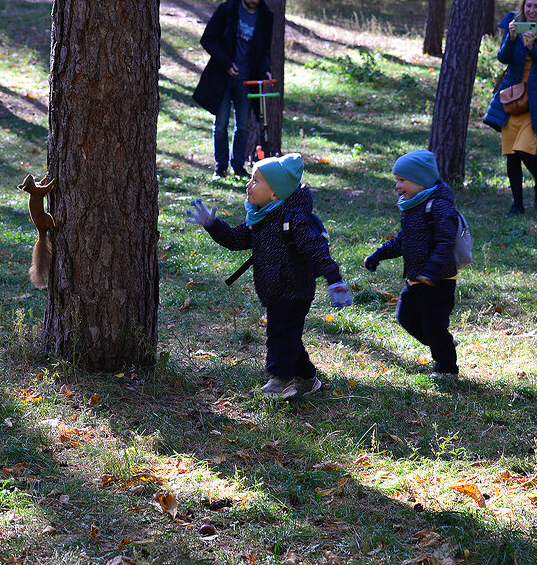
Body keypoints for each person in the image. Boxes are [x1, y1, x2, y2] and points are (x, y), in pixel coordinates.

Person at [185, 153, 352, 399]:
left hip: (295, 289)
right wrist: (213, 224)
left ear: (275, 194)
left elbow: (317, 249)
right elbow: (234, 239)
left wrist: (334, 279)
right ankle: (308, 378)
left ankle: (280, 381)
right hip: (274, 290)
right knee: (288, 336)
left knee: (279, 334)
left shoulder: (294, 220)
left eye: (255, 181)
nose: (248, 185)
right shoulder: (260, 218)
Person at [364, 150, 459, 381]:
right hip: (416, 278)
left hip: (438, 280)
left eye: (402, 180)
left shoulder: (439, 206)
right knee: (405, 316)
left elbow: (446, 242)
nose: (397, 186)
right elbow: (402, 240)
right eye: (397, 180)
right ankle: (442, 341)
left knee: (432, 323)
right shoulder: (412, 206)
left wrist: (432, 271)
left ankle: (447, 367)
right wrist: (378, 255)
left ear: (421, 180)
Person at [483, 0, 537, 216]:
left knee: (525, 148)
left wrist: (531, 47)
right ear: (523, 7)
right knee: (511, 153)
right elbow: (503, 58)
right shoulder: (515, 25)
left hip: (535, 100)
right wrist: (511, 38)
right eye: (528, 6)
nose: (532, 10)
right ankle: (517, 205)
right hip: (513, 98)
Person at [193, 0, 274, 181]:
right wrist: (227, 63)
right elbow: (208, 39)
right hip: (222, 77)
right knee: (220, 125)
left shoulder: (265, 16)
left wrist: (265, 71)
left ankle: (237, 166)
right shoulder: (227, 10)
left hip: (247, 80)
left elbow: (264, 50)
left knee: (244, 126)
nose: (255, 0)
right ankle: (220, 168)